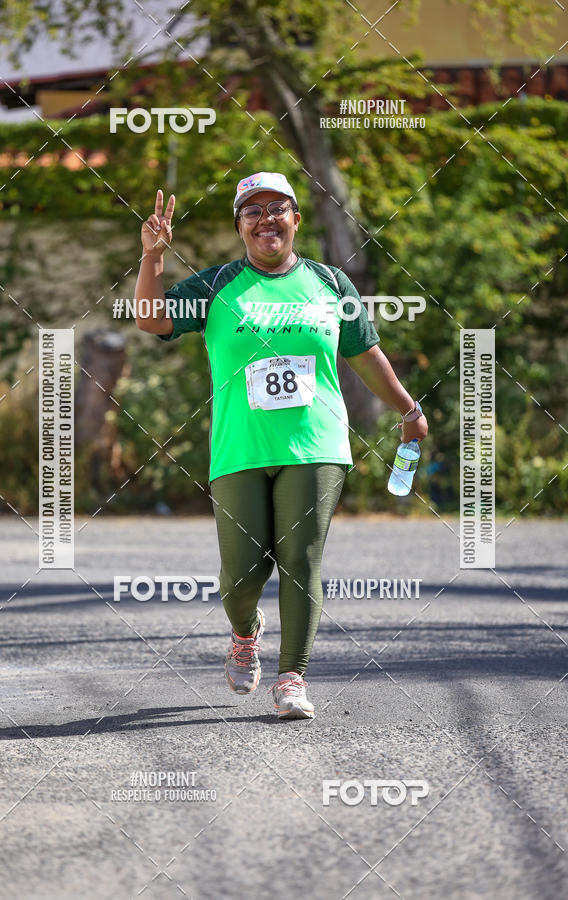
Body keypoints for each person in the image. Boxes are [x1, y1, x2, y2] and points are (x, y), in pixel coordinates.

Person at [135, 172, 428, 720]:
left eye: (278, 208)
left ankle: (292, 677)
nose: (266, 218)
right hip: (239, 448)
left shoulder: (329, 283)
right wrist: (152, 258)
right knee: (241, 574)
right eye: (253, 210)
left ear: (296, 219)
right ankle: (245, 631)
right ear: (240, 225)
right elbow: (152, 319)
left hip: (316, 444)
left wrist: (409, 410)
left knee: (301, 559)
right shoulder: (217, 284)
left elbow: (365, 354)